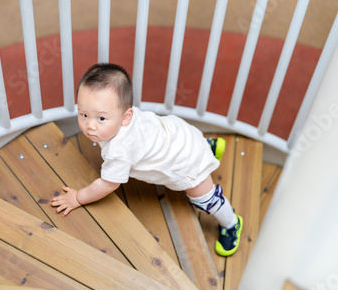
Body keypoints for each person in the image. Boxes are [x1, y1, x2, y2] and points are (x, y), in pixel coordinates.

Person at [51, 63, 242, 256]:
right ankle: (207, 146)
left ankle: (232, 223)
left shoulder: (119, 151)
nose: (90, 125)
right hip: (181, 134)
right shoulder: (127, 115)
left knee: (205, 200)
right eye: (83, 114)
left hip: (186, 165)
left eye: (101, 119)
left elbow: (107, 184)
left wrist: (77, 197)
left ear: (126, 117)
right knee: (180, 142)